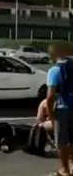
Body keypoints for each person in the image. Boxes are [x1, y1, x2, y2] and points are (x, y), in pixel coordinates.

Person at [46, 43, 73, 176]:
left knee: (61, 142)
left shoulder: (54, 70)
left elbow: (50, 96)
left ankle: (65, 170)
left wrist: (51, 114)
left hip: (62, 110)